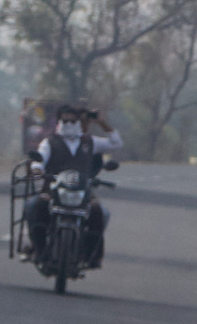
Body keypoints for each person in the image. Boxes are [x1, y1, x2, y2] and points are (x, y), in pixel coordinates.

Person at [22, 104, 122, 264]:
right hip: (52, 190)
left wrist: (102, 123)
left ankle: (91, 255)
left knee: (100, 212)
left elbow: (116, 143)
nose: (69, 124)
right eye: (65, 120)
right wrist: (37, 170)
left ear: (80, 123)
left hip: (83, 193)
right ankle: (38, 249)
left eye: (73, 121)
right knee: (34, 206)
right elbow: (39, 159)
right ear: (59, 121)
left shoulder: (91, 142)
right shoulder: (50, 142)